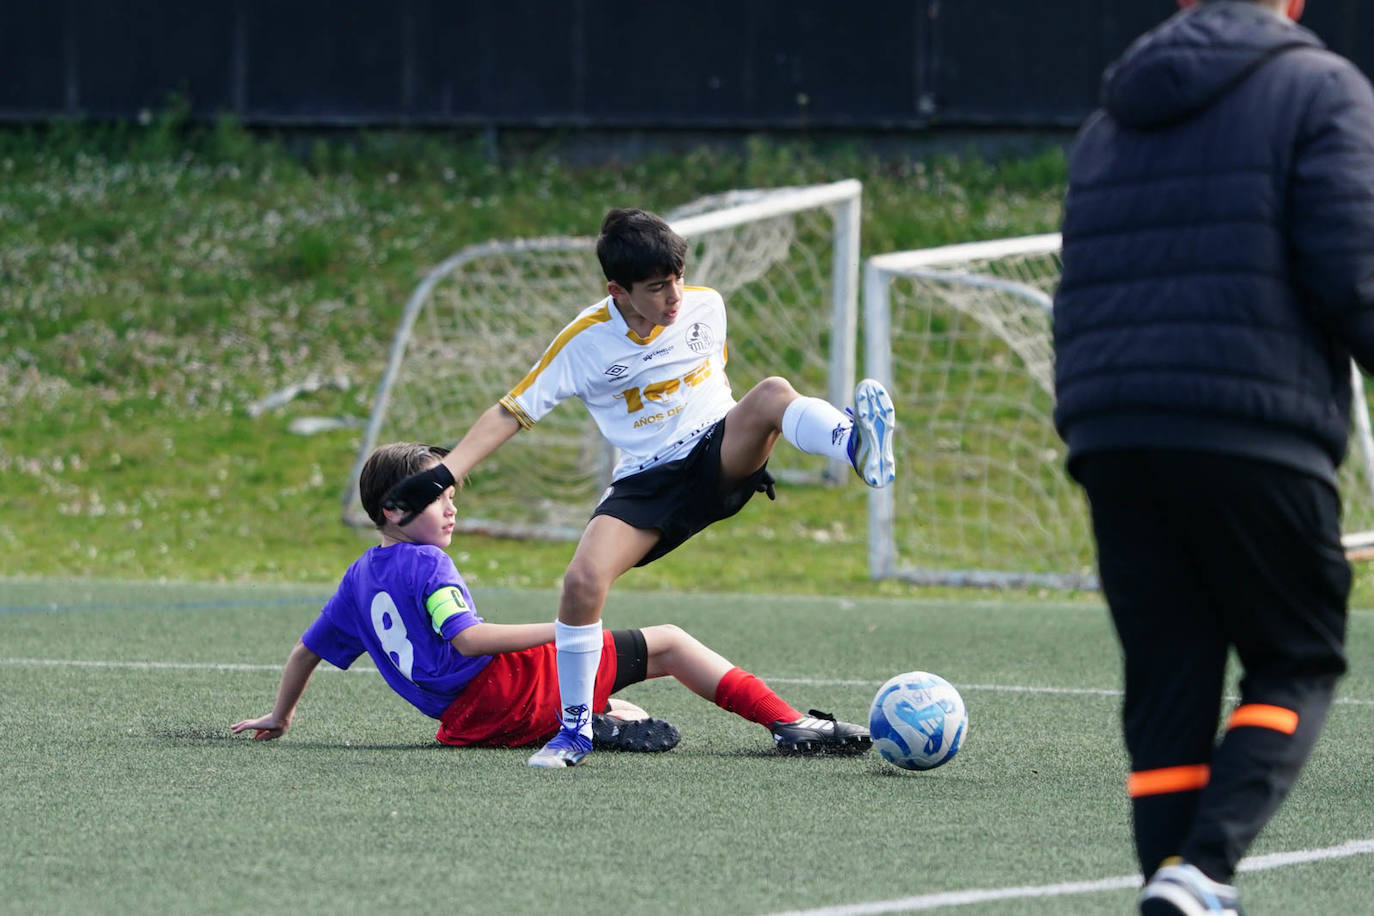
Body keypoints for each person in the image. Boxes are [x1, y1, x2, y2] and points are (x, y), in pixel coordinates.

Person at [1052, 1, 1374, 913]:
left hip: (1112, 433)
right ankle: (1206, 870)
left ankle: (1171, 890)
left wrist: (1092, 419)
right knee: (1297, 658)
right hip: (1254, 428)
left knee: (1169, 688)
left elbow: (1075, 291)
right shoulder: (1321, 89)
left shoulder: (1111, 117)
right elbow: (1354, 274)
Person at [381, 207, 894, 768]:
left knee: (771, 393)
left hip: (717, 453)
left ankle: (853, 445)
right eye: (656, 287)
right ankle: (575, 731)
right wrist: (448, 470)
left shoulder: (707, 306)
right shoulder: (583, 340)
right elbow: (512, 411)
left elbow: (720, 390)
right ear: (617, 291)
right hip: (646, 481)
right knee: (581, 581)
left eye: (677, 278)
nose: (674, 296)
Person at [232, 442, 872, 760]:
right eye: (437, 495)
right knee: (670, 644)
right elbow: (468, 640)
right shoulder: (427, 562)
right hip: (503, 689)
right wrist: (566, 628)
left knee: (621, 693)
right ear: (394, 510)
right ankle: (790, 724)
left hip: (468, 726)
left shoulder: (356, 578)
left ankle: (605, 718)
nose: (452, 504)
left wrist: (280, 715)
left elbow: (304, 652)